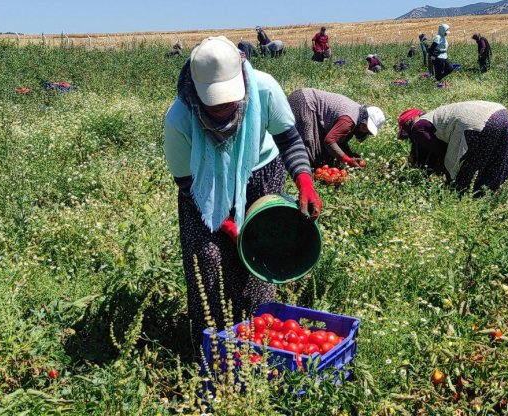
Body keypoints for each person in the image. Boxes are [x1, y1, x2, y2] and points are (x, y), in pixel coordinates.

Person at [163, 37, 323, 350]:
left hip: (260, 175)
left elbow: (289, 141)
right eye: (215, 102)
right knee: (208, 259)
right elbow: (186, 183)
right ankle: (212, 346)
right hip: (204, 188)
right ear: (196, 90)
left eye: (229, 100)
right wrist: (229, 226)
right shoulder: (179, 118)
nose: (223, 109)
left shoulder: (264, 88)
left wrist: (305, 181)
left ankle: (257, 337)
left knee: (259, 255)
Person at [396, 101, 508, 193]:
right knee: (495, 164)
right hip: (503, 114)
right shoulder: (435, 116)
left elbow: (442, 151)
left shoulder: (417, 128)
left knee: (463, 173)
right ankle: (493, 198)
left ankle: (469, 202)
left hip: (478, 123)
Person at [288, 88, 385, 168]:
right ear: (364, 121)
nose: (364, 131)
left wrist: (349, 155)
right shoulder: (349, 120)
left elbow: (340, 140)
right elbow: (329, 141)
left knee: (320, 153)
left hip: (304, 99)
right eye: (366, 128)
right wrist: (347, 160)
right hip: (303, 100)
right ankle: (297, 168)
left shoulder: (356, 115)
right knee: (309, 144)